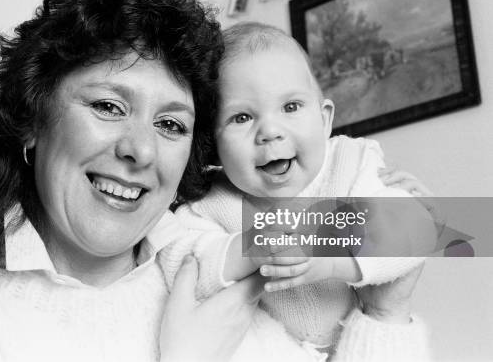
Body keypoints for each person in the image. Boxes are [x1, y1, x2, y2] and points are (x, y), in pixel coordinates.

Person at [0, 0, 429, 362]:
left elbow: (450, 224)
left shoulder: (233, 293)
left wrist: (384, 314)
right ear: (31, 118)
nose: (140, 150)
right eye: (108, 106)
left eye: (170, 124)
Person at [175, 22, 436, 355]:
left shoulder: (351, 162)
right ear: (213, 145)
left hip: (358, 340)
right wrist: (249, 248)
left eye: (290, 107)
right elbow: (181, 260)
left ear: (324, 119)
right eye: (241, 117)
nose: (270, 131)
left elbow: (413, 230)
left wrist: (333, 263)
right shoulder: (214, 200)